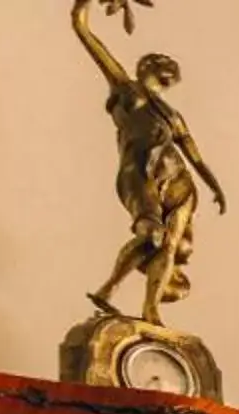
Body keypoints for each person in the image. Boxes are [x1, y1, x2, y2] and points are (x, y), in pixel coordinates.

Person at [73, 0, 225, 324]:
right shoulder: (127, 89)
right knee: (151, 236)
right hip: (140, 172)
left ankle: (151, 309)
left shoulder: (172, 115)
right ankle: (109, 289)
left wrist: (214, 186)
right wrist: (82, 9)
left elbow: (193, 154)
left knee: (168, 247)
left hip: (180, 183)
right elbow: (86, 35)